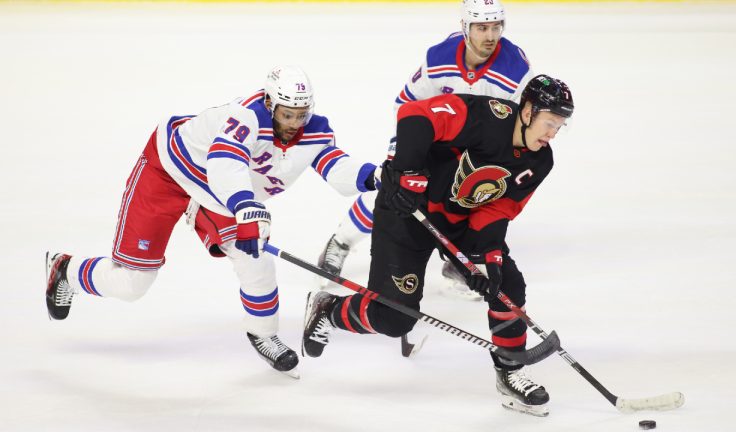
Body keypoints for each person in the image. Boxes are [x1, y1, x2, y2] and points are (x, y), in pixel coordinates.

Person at [45, 65, 378, 379]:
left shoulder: (315, 129)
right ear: (269, 102)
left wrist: (375, 177)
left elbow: (334, 164)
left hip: (222, 195)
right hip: (170, 172)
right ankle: (66, 270)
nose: (294, 122)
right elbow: (225, 163)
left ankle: (264, 335)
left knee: (256, 260)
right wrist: (246, 207)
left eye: (301, 114)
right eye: (286, 114)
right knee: (133, 284)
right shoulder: (245, 117)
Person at [302, 75, 574, 416]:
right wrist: (407, 173)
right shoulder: (490, 116)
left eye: (559, 127)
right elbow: (416, 115)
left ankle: (511, 370)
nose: (552, 134)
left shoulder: (540, 161)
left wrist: (484, 257)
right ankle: (328, 309)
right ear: (529, 110)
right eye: (549, 123)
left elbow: (498, 208)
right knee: (394, 319)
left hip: (459, 222)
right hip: (406, 211)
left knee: (507, 285)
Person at [317, 0, 535, 302]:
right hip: (436, 141)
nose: (490, 36)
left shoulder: (515, 70)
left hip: (478, 152)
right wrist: (403, 155)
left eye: (496, 27)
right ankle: (341, 241)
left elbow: (520, 127)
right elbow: (407, 103)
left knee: (475, 200)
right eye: (482, 27)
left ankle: (456, 263)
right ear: (465, 27)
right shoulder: (439, 58)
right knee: (393, 193)